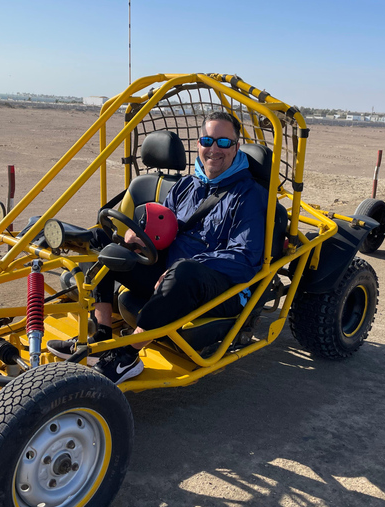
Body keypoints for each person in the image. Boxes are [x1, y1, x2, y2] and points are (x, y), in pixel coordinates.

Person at [49, 112, 268, 383]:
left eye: (224, 142)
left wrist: (185, 267)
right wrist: (138, 238)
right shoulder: (188, 185)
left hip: (222, 287)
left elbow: (245, 257)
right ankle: (102, 338)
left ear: (236, 147)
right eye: (207, 140)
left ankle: (127, 358)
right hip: (170, 273)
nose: (214, 149)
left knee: (184, 272)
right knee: (100, 242)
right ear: (198, 144)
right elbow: (165, 228)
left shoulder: (250, 195)